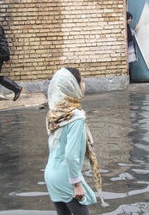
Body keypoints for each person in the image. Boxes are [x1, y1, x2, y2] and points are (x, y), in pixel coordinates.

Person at [44, 67, 104, 215]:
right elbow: (71, 155)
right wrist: (76, 184)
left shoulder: (54, 113)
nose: (84, 85)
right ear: (72, 86)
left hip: (51, 175)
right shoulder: (76, 118)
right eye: (81, 82)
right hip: (66, 177)